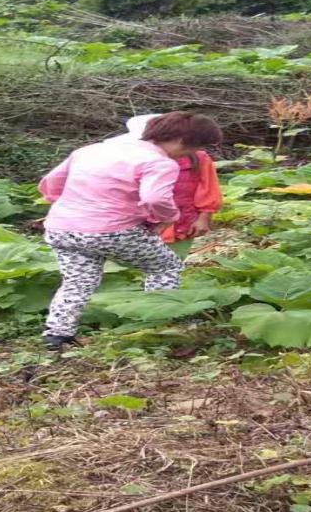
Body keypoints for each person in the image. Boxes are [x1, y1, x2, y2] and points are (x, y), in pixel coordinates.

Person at [38, 112, 224, 350]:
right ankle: (159, 324)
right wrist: (169, 217)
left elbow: (51, 183)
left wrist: (74, 208)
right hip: (112, 231)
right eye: (192, 149)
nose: (188, 155)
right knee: (165, 266)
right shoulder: (159, 162)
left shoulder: (90, 150)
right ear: (180, 141)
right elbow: (155, 198)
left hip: (61, 227)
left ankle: (57, 335)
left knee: (78, 281)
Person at [156, 121, 224, 260]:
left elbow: (209, 188)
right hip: (146, 225)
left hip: (183, 223)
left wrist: (204, 218)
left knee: (173, 265)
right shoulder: (140, 158)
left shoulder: (198, 158)